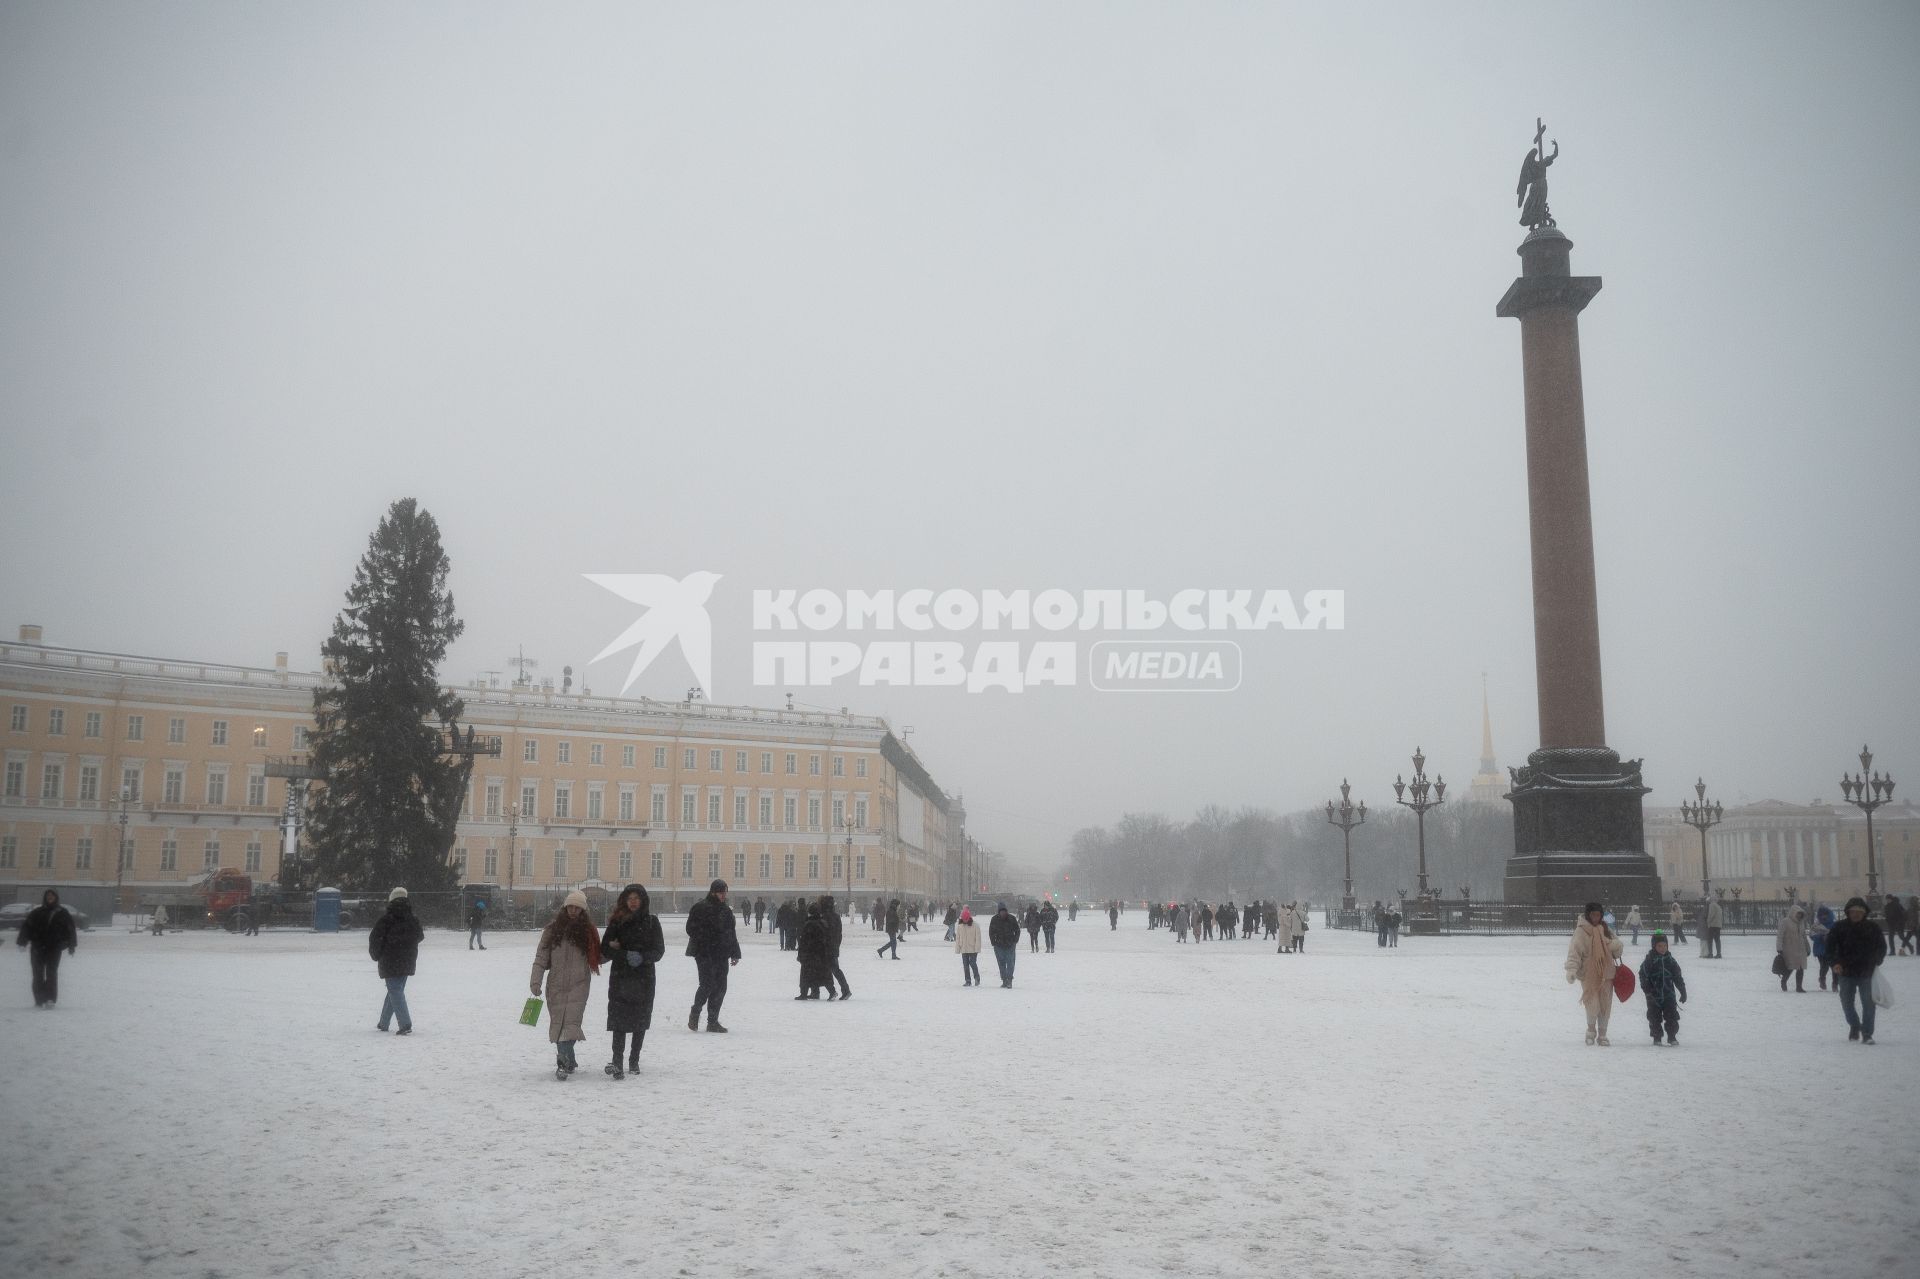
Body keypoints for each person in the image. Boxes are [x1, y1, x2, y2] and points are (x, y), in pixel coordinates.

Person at [532, 889, 601, 1078]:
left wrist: (615, 948)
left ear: (582, 910)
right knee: (559, 1024)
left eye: (577, 907)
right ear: (565, 907)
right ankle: (569, 1058)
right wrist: (535, 981)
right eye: (570, 906)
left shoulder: (588, 931)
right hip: (555, 984)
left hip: (579, 985)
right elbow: (541, 957)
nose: (573, 910)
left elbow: (598, 956)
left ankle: (562, 1062)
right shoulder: (552, 930)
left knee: (571, 1023)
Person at [600, 883, 664, 1078]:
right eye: (630, 898)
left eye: (637, 898)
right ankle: (617, 1060)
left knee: (640, 1020)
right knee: (619, 1021)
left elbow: (659, 950)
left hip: (644, 977)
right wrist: (623, 954)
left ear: (643, 900)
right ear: (624, 901)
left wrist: (643, 957)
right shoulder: (617, 922)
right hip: (621, 976)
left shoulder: (652, 922)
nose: (634, 902)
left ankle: (634, 1060)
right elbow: (605, 948)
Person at [1564, 901, 1624, 1046]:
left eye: (1598, 915)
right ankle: (1591, 1031)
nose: (1596, 918)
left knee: (1605, 1005)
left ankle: (1603, 1034)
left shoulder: (1605, 928)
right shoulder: (1581, 931)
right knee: (1592, 1004)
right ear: (1588, 915)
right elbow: (1575, 952)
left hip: (1607, 973)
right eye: (1593, 915)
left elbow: (1617, 948)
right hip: (1589, 974)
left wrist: (1615, 946)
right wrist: (1571, 969)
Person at [1827, 896, 1885, 1044]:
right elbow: (1830, 948)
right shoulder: (1839, 927)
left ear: (1864, 912)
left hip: (1866, 972)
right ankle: (1854, 1025)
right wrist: (1834, 963)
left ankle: (1867, 1033)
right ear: (1848, 912)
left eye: (1859, 911)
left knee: (1868, 1004)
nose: (1856, 914)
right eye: (1853, 911)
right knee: (1846, 1003)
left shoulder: (1873, 928)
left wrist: (1877, 960)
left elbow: (1881, 947)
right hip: (1845, 972)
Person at [685, 879, 741, 1032]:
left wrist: (735, 953)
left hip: (721, 953)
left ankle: (712, 1021)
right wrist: (707, 936)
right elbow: (690, 929)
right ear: (713, 892)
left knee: (720, 987)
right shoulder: (700, 908)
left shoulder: (726, 911)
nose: (723, 895)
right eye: (721, 892)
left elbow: (731, 933)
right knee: (707, 984)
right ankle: (695, 1012)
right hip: (704, 953)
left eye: (725, 893)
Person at [368, 887, 423, 1035]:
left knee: (395, 990)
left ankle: (405, 1024)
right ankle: (384, 1022)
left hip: (390, 960)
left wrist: (376, 954)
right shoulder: (413, 919)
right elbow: (420, 936)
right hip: (407, 960)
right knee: (395, 990)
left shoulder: (386, 920)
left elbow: (375, 938)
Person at [16, 888, 78, 1008]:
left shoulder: (62, 913)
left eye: (52, 896)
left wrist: (71, 945)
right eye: (48, 895)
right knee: (37, 974)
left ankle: (50, 999)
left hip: (54, 948)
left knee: (51, 973)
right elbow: (27, 927)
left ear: (56, 897)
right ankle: (39, 999)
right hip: (37, 948)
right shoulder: (37, 912)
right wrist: (22, 942)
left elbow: (70, 929)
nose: (50, 897)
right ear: (45, 897)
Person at [1638, 931, 1687, 1046]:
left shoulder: (1670, 960)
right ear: (1654, 946)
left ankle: (1672, 1036)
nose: (1662, 948)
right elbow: (1643, 975)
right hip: (1653, 995)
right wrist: (1647, 990)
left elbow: (1677, 976)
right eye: (1659, 946)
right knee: (1654, 1017)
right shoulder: (1649, 960)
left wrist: (1682, 991)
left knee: (1672, 1016)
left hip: (1669, 994)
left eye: (1665, 945)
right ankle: (1657, 1037)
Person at [796, 903, 834, 1000]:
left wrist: (801, 954)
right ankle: (831, 991)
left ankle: (804, 993)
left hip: (810, 953)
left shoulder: (809, 924)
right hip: (821, 953)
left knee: (805, 973)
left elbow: (804, 940)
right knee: (823, 973)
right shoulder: (823, 922)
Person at [819, 894, 851, 999]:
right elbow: (839, 933)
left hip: (826, 947)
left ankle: (834, 991)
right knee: (836, 969)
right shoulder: (836, 916)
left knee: (827, 970)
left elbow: (823, 932)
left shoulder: (824, 917)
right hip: (834, 946)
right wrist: (836, 944)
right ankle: (845, 990)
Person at [1776, 905, 1810, 992]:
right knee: (1790, 967)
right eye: (1798, 913)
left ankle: (1799, 987)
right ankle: (1784, 981)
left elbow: (1804, 936)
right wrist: (1779, 948)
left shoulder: (1801, 923)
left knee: (1801, 967)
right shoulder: (1785, 922)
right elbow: (1780, 936)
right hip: (1789, 948)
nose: (1799, 915)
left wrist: (1807, 948)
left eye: (1801, 914)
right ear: (1793, 913)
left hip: (1801, 948)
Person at [988, 903, 1021, 988]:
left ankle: (1009, 980)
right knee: (1001, 963)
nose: (1003, 913)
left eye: (1004, 911)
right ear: (999, 911)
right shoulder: (994, 919)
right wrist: (993, 942)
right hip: (999, 945)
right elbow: (991, 932)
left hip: (1010, 944)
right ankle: (1004, 980)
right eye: (1001, 911)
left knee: (1010, 963)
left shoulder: (1012, 918)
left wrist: (1015, 940)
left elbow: (1017, 930)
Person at [954, 907, 983, 986]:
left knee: (973, 963)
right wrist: (958, 949)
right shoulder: (960, 926)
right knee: (965, 965)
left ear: (969, 918)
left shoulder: (975, 925)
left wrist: (977, 948)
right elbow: (958, 938)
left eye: (966, 919)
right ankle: (968, 980)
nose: (965, 921)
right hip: (963, 948)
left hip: (973, 948)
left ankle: (977, 978)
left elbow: (978, 938)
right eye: (963, 919)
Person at [1810, 904, 1836, 990]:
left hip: (1832, 949)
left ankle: (1835, 984)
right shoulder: (1816, 925)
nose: (1823, 916)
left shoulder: (1834, 924)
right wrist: (1821, 937)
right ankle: (1822, 979)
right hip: (1820, 949)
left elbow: (1839, 936)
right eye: (1821, 914)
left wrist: (1830, 937)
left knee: (1834, 967)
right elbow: (1812, 935)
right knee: (1824, 966)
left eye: (1825, 914)